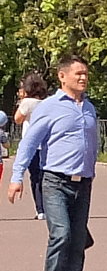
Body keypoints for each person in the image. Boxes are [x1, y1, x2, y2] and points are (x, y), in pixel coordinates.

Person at [7, 54, 98, 271]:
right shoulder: (49, 107)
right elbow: (28, 143)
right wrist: (16, 178)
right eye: (77, 73)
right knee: (62, 234)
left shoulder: (89, 108)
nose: (82, 77)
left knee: (78, 240)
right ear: (62, 76)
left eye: (85, 73)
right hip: (55, 181)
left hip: (84, 183)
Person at [13, 72, 50, 219]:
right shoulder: (47, 102)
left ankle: (40, 210)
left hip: (31, 144)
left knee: (35, 178)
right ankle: (48, 208)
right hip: (46, 143)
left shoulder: (27, 102)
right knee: (46, 177)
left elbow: (17, 119)